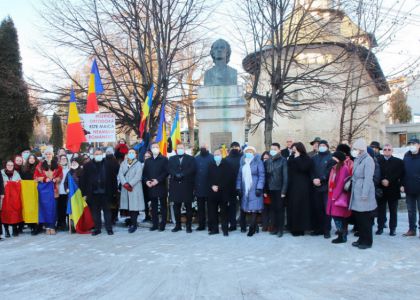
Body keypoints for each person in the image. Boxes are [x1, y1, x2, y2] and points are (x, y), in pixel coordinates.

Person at [82, 148, 118, 236]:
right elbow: (83, 181)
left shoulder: (109, 164)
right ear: (93, 155)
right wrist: (84, 193)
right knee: (95, 212)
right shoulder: (87, 166)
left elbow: (113, 179)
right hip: (93, 193)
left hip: (106, 192)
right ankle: (97, 228)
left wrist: (114, 192)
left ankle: (109, 228)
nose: (98, 155)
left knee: (107, 211)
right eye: (96, 154)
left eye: (100, 154)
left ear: (103, 154)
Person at [349, 138, 377, 249]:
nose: (354, 150)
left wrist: (364, 194)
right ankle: (361, 238)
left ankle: (367, 241)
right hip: (357, 191)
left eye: (355, 149)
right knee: (359, 218)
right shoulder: (358, 159)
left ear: (361, 149)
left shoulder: (368, 160)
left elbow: (368, 178)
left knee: (365, 219)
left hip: (363, 193)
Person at [236, 146, 265, 237]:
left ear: (254, 153)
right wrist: (238, 188)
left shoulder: (258, 162)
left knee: (254, 209)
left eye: (250, 152)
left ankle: (251, 229)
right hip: (245, 189)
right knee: (247, 208)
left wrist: (259, 188)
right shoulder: (243, 163)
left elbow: (262, 175)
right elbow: (239, 177)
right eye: (247, 152)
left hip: (255, 188)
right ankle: (255, 226)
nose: (248, 153)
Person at [34, 148, 63, 235]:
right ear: (45, 155)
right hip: (44, 192)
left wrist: (56, 179)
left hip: (54, 190)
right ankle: (47, 227)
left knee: (53, 209)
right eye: (46, 154)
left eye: (49, 154)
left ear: (52, 155)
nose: (48, 155)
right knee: (45, 209)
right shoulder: (40, 166)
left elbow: (60, 176)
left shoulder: (58, 166)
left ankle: (52, 226)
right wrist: (44, 179)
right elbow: (35, 177)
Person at [376, 144, 404, 236]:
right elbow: (375, 173)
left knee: (393, 211)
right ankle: (380, 227)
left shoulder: (398, 162)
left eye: (389, 149)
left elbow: (400, 174)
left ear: (392, 151)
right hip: (381, 189)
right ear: (382, 151)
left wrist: (389, 180)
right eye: (385, 149)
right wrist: (381, 180)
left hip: (393, 189)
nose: (387, 151)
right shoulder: (377, 161)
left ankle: (393, 229)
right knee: (381, 210)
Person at [168, 144, 196, 233]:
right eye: (178, 148)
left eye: (181, 148)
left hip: (187, 185)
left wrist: (183, 174)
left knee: (188, 207)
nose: (180, 149)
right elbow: (169, 168)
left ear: (184, 149)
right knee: (176, 207)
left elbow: (192, 169)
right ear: (176, 149)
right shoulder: (171, 158)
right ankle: (178, 225)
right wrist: (175, 174)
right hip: (175, 186)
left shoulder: (191, 158)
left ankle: (188, 226)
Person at [287, 142, 313, 236]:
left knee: (301, 207)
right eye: (293, 149)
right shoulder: (292, 158)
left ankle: (301, 228)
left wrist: (297, 158)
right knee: (293, 206)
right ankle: (293, 227)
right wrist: (292, 157)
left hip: (302, 186)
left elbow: (303, 168)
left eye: (295, 149)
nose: (294, 151)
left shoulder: (306, 158)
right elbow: (289, 168)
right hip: (292, 185)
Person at [208, 149, 234, 236]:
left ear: (221, 155)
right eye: (215, 155)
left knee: (224, 212)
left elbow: (229, 178)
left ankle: (225, 229)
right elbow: (207, 177)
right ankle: (215, 229)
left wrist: (219, 186)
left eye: (218, 154)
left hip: (223, 192)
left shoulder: (227, 164)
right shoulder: (211, 165)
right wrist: (212, 185)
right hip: (213, 192)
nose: (216, 156)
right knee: (213, 212)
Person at [143, 142, 169, 231]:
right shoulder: (148, 161)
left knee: (163, 206)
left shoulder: (164, 159)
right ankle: (155, 224)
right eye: (153, 147)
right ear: (150, 149)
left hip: (161, 185)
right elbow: (144, 174)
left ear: (159, 148)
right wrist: (146, 181)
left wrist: (158, 180)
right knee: (153, 207)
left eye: (156, 147)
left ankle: (163, 225)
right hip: (151, 186)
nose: (155, 148)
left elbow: (166, 172)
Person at [326, 151, 351, 244]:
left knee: (338, 216)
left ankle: (342, 236)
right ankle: (341, 235)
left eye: (334, 158)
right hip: (332, 195)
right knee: (336, 216)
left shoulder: (343, 168)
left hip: (338, 197)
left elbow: (341, 183)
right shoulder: (335, 167)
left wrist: (334, 196)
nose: (332, 159)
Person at [311, 140, 334, 238]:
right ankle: (318, 229)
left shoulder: (331, 158)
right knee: (317, 208)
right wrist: (313, 179)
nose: (322, 147)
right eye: (320, 145)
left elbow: (330, 171)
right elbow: (311, 170)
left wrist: (321, 179)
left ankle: (326, 230)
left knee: (326, 209)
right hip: (315, 187)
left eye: (324, 145)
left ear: (327, 147)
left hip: (326, 187)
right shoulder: (314, 158)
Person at [118, 148, 144, 233]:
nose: (131, 154)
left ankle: (134, 224)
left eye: (133, 153)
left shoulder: (138, 164)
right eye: (130, 152)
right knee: (129, 206)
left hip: (134, 188)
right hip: (125, 188)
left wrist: (130, 184)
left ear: (136, 154)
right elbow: (120, 174)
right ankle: (130, 222)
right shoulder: (123, 163)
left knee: (134, 207)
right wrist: (124, 183)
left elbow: (138, 176)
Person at [264, 143, 288, 237]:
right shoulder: (268, 161)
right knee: (273, 209)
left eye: (275, 149)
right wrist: (265, 190)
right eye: (271, 148)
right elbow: (266, 177)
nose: (272, 150)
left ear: (279, 150)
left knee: (280, 210)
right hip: (270, 189)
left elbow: (286, 177)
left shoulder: (283, 161)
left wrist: (284, 191)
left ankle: (280, 229)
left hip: (279, 189)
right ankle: (275, 228)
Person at [401, 138, 420, 237]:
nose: (411, 145)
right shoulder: (406, 155)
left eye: (414, 143)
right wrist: (402, 184)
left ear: (418, 145)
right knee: (410, 210)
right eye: (410, 144)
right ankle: (412, 229)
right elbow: (403, 172)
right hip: (409, 187)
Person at [194, 143, 214, 231]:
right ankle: (201, 225)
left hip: (210, 187)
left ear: (208, 148)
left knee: (210, 208)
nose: (203, 148)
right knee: (200, 208)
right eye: (202, 147)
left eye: (204, 147)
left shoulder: (212, 157)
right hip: (199, 186)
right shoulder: (196, 158)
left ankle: (211, 225)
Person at [1, 160, 22, 237]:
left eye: (11, 165)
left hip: (14, 197)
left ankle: (14, 228)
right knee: (5, 212)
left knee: (15, 212)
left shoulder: (16, 174)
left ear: (13, 166)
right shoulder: (1, 173)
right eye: (8, 165)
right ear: (5, 165)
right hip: (4, 197)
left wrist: (15, 183)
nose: (10, 166)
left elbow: (20, 183)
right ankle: (6, 230)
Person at [225, 141, 242, 231]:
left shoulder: (243, 158)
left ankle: (243, 225)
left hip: (241, 185)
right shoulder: (227, 159)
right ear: (230, 148)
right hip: (230, 186)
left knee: (243, 205)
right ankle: (232, 224)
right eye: (233, 147)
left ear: (239, 148)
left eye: (237, 147)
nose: (235, 148)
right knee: (231, 206)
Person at [104, 147, 120, 225]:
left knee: (114, 202)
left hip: (113, 184)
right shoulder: (103, 161)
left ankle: (114, 217)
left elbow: (118, 172)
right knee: (107, 203)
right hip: (105, 185)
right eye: (107, 152)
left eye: (110, 152)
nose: (109, 153)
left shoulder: (115, 161)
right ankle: (109, 218)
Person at [56, 155, 70, 231]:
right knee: (58, 208)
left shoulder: (69, 169)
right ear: (60, 160)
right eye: (62, 159)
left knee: (65, 208)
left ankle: (64, 223)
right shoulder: (57, 169)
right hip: (58, 191)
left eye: (65, 159)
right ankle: (59, 223)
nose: (64, 160)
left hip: (66, 192)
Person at [261, 151, 272, 232]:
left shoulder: (271, 167)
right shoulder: (261, 166)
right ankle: (265, 226)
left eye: (267, 158)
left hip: (271, 191)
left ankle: (271, 226)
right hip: (263, 192)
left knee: (271, 210)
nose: (265, 160)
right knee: (265, 210)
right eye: (264, 158)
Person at [142, 151, 152, 222]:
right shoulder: (141, 165)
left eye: (148, 156)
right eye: (145, 156)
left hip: (152, 185)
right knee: (145, 202)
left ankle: (153, 215)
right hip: (143, 186)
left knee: (152, 202)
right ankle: (147, 216)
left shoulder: (153, 164)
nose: (147, 158)